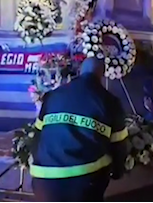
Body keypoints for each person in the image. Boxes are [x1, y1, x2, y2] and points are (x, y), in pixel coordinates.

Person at [30, 57, 129, 202]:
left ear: (80, 71)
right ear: (101, 74)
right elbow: (119, 145)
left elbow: (38, 135)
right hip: (83, 182)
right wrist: (118, 172)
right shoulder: (109, 101)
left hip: (43, 180)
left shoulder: (53, 95)